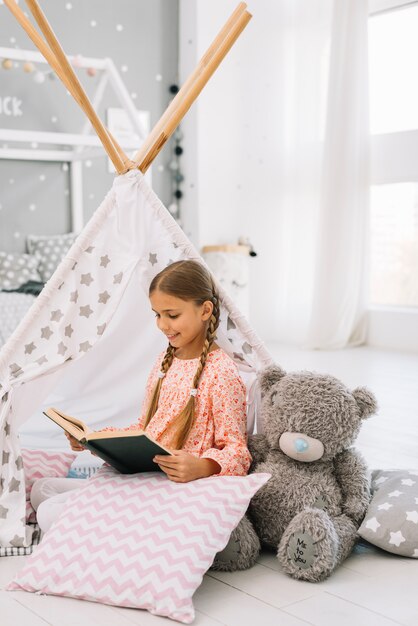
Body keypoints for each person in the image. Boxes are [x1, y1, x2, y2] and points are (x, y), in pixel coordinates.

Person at [31, 260, 252, 532]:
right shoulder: (165, 362)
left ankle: (110, 525)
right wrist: (93, 440)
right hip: (145, 475)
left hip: (175, 487)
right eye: (157, 315)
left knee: (50, 513)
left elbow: (238, 452)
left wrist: (203, 466)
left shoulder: (221, 373)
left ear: (205, 310)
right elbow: (145, 430)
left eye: (172, 315)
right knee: (42, 490)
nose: (162, 325)